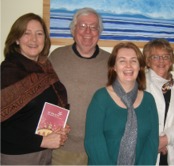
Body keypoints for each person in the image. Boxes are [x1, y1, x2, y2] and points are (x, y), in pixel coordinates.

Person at [0, 13, 70, 165]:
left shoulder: (46, 70)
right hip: (17, 158)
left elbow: (39, 113)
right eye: (27, 33)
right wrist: (42, 140)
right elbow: (4, 130)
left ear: (45, 40)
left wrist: (58, 129)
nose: (33, 39)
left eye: (39, 34)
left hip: (44, 155)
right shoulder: (8, 73)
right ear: (16, 39)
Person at [49, 7, 110, 165]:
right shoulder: (56, 57)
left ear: (99, 31)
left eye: (94, 27)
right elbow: (46, 97)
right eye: (82, 26)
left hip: (99, 147)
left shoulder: (111, 62)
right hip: (63, 148)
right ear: (73, 29)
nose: (88, 32)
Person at [84, 42, 159, 165]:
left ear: (140, 66)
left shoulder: (149, 100)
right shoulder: (101, 98)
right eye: (122, 61)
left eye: (134, 61)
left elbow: (152, 143)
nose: (128, 66)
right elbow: (93, 142)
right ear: (114, 66)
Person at [143, 38, 174, 165]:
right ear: (148, 61)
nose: (161, 61)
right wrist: (154, 143)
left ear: (171, 60)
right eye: (155, 57)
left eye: (165, 56)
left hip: (172, 150)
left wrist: (165, 139)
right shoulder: (139, 84)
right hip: (145, 149)